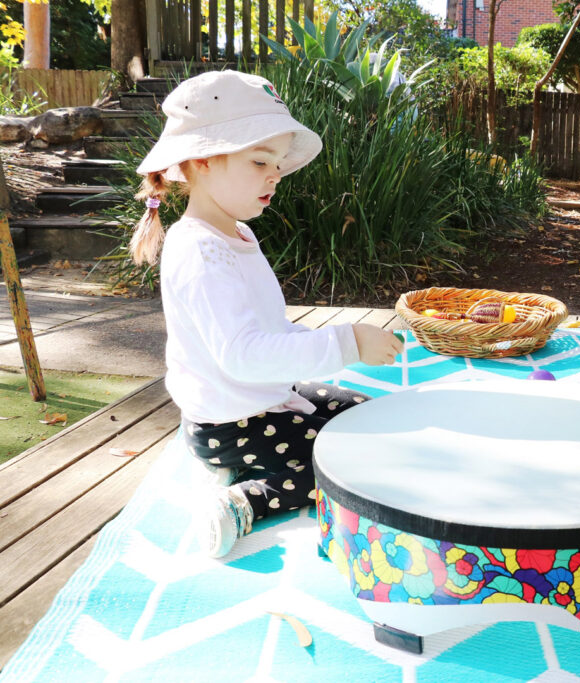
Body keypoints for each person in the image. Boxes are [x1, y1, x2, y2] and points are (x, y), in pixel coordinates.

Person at [131, 70, 403, 557]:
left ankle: (249, 467)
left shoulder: (236, 235)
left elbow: (268, 330)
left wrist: (333, 346)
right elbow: (242, 355)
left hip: (266, 399)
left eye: (277, 163)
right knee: (349, 461)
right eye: (260, 161)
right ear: (200, 162)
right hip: (229, 423)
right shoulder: (198, 250)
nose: (275, 175)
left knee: (369, 419)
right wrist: (347, 342)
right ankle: (244, 502)